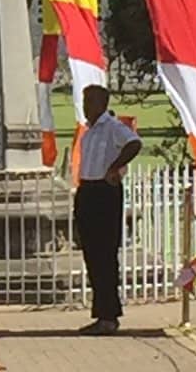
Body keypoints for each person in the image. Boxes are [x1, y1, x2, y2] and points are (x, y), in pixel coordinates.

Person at [75, 85, 142, 335]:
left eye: (90, 101)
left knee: (104, 255)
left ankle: (109, 315)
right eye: (84, 100)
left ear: (101, 103)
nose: (85, 106)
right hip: (87, 189)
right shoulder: (89, 132)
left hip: (104, 191)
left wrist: (115, 168)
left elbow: (134, 143)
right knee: (92, 255)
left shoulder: (112, 126)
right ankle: (101, 313)